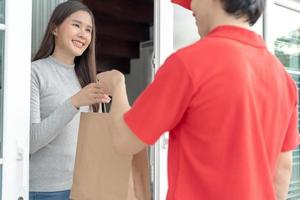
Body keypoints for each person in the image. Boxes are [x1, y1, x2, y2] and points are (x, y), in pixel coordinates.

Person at [96, 0, 300, 199]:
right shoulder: (283, 78)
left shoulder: (189, 63)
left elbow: (125, 140)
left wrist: (117, 84)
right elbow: (282, 169)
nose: (191, 7)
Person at [29, 1, 110, 199]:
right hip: (46, 191)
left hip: (85, 187)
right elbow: (30, 141)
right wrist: (73, 103)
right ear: (54, 28)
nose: (83, 34)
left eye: (88, 30)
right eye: (76, 25)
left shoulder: (87, 79)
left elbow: (95, 143)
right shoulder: (34, 73)